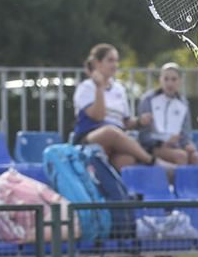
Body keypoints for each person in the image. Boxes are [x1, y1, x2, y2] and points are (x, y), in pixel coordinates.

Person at [71, 44, 169, 174]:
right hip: (90, 137)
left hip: (118, 138)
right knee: (110, 132)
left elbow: (125, 122)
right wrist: (99, 87)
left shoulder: (119, 89)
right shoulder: (86, 87)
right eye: (110, 60)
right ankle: (152, 161)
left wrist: (140, 121)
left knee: (126, 160)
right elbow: (98, 117)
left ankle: (123, 192)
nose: (115, 65)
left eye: (116, 60)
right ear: (98, 63)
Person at [137, 62, 198, 167]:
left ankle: (197, 184)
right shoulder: (148, 100)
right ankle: (179, 184)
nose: (169, 83)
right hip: (153, 147)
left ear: (180, 81)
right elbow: (144, 135)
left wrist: (187, 144)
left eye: (174, 79)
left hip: (175, 146)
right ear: (160, 80)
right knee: (180, 156)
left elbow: (185, 133)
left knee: (195, 156)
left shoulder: (183, 103)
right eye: (166, 79)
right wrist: (163, 141)